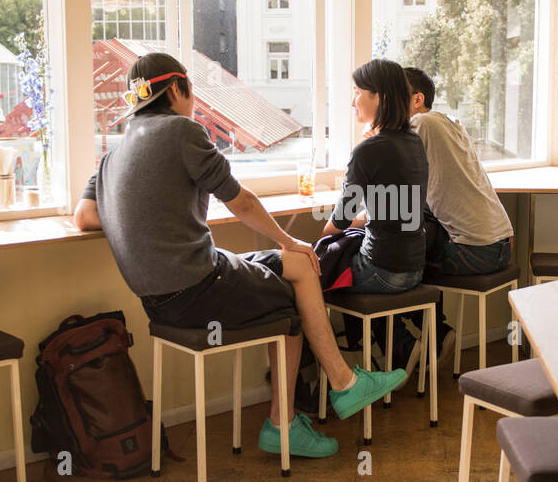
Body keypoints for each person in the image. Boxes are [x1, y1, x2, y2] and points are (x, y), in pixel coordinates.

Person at [73, 52, 406, 460]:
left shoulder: (114, 153)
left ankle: (339, 386)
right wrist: (289, 239)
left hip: (158, 301)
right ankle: (296, 418)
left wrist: (144, 216)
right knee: (293, 298)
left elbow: (85, 217)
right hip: (199, 285)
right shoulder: (183, 131)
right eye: (190, 92)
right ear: (177, 89)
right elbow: (242, 202)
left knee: (299, 267)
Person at [398, 66, 514, 365]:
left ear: (416, 100)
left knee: (397, 262)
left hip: (476, 251)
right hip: (500, 244)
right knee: (417, 239)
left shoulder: (420, 123)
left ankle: (424, 338)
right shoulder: (447, 123)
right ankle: (435, 333)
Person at [321, 59, 429, 362]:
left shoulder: (368, 150)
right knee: (355, 252)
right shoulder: (414, 142)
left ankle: (322, 378)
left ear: (378, 97)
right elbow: (393, 210)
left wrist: (320, 241)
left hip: (383, 272)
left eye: (357, 92)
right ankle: (401, 345)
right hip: (414, 268)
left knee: (312, 279)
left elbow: (340, 219)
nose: (352, 101)